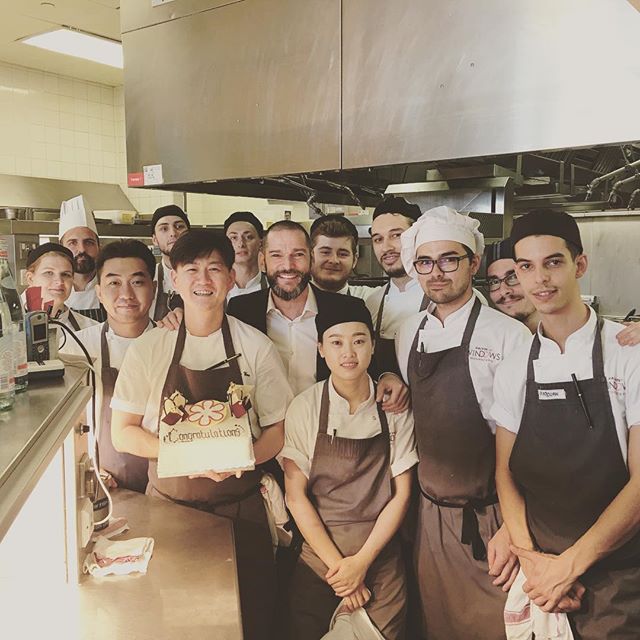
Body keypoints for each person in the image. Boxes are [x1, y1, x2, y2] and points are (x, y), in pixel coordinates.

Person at [110, 229, 293, 640]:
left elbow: (279, 430)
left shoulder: (256, 346)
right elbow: (123, 433)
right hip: (170, 512)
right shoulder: (150, 348)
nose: (203, 280)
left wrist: (242, 459)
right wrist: (191, 455)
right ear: (174, 279)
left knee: (251, 619)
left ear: (231, 277)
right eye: (191, 269)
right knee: (174, 621)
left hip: (241, 511)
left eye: (214, 269)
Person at [492, 209, 640, 639]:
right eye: (526, 266)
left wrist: (570, 566)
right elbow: (505, 473)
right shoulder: (515, 365)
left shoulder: (627, 353)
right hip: (541, 576)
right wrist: (533, 560)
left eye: (553, 262)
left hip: (618, 577)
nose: (540, 279)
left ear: (579, 265)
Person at [395, 206, 530, 640]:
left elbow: (533, 443)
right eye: (425, 262)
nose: (436, 272)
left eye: (450, 259)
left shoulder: (508, 335)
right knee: (437, 624)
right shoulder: (407, 332)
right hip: (429, 515)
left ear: (473, 262)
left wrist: (512, 528)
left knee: (493, 627)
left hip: (490, 517)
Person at [283, 304, 417, 639]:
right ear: (321, 349)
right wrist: (340, 571)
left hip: (380, 561)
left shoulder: (394, 410)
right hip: (319, 563)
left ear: (373, 345)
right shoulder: (305, 407)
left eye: (359, 341)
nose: (348, 353)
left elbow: (402, 495)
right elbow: (295, 496)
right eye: (336, 342)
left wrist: (361, 564)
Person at [227, 220, 408, 410]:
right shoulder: (241, 310)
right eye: (276, 255)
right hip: (264, 429)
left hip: (328, 429)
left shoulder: (349, 310)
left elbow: (371, 366)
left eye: (298, 254)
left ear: (311, 260)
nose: (288, 266)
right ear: (263, 262)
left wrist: (388, 376)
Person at [59, 240, 157, 493]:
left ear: (154, 288)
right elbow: (64, 427)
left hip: (169, 483)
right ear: (99, 292)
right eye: (114, 283)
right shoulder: (75, 349)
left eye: (137, 282)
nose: (126, 294)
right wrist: (85, 466)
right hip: (106, 486)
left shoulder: (174, 343)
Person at [485, 237, 640, 346]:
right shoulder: (491, 343)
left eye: (512, 277)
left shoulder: (616, 340)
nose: (505, 290)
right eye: (494, 282)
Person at [23, 242, 97, 332]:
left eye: (65, 274)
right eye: (49, 273)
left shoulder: (91, 329)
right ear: (30, 278)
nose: (59, 281)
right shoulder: (7, 329)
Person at [59, 194, 105, 322]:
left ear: (99, 247)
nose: (82, 249)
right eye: (73, 243)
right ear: (61, 248)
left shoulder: (112, 285)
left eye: (89, 242)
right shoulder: (49, 290)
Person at [310, 215, 374, 299]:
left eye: (343, 254)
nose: (334, 260)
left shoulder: (371, 299)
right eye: (325, 252)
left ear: (354, 260)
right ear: (310, 256)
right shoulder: (291, 300)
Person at [149, 204, 190, 321]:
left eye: (179, 226)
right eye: (164, 229)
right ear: (154, 240)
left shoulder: (203, 277)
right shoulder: (149, 276)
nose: (173, 233)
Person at [225, 211, 269, 300]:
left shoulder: (273, 286)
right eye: (234, 238)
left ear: (260, 243)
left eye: (248, 237)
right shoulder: (216, 287)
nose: (241, 244)